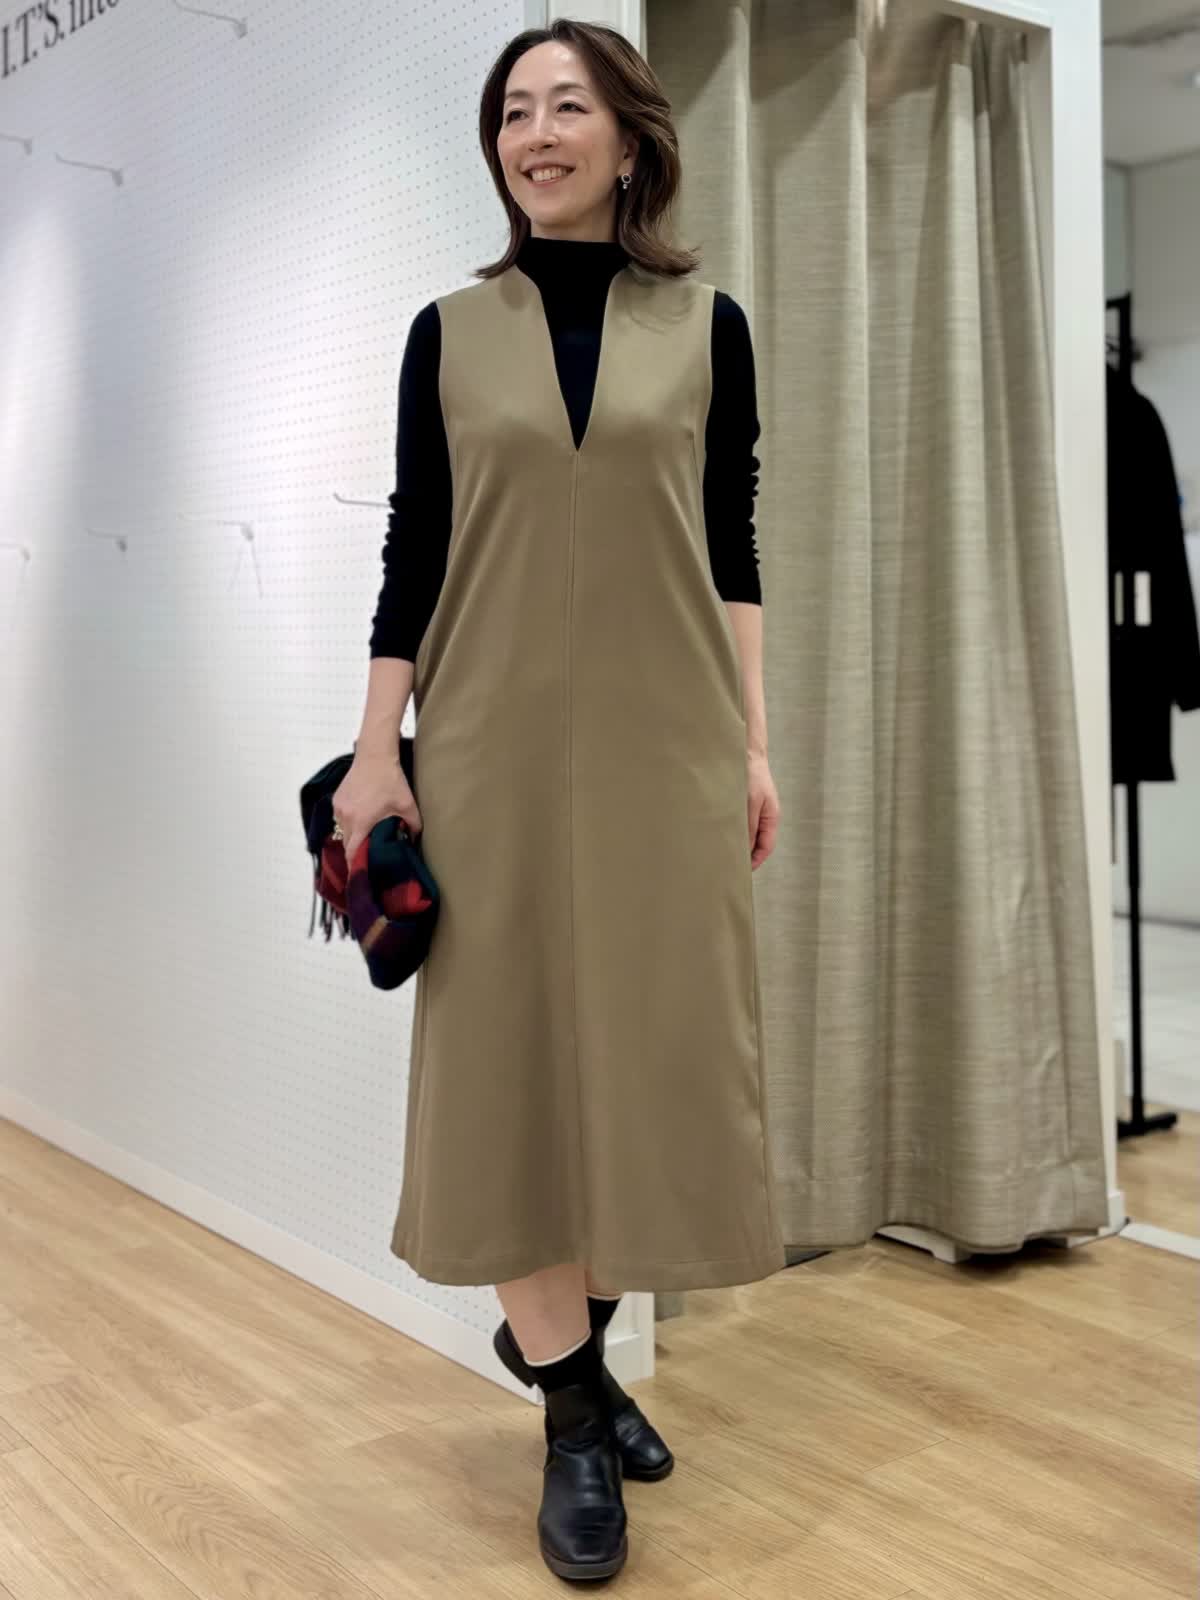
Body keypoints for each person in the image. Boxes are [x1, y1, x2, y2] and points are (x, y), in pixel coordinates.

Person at [332, 18, 786, 1584]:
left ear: (628, 136)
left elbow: (731, 540)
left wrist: (753, 742)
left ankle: (567, 1352)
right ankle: (577, 1418)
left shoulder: (711, 326)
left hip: (670, 745)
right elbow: (414, 547)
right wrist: (377, 751)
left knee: (655, 1060)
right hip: (492, 749)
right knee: (511, 1070)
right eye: (514, 111)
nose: (536, 133)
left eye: (566, 105)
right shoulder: (448, 333)